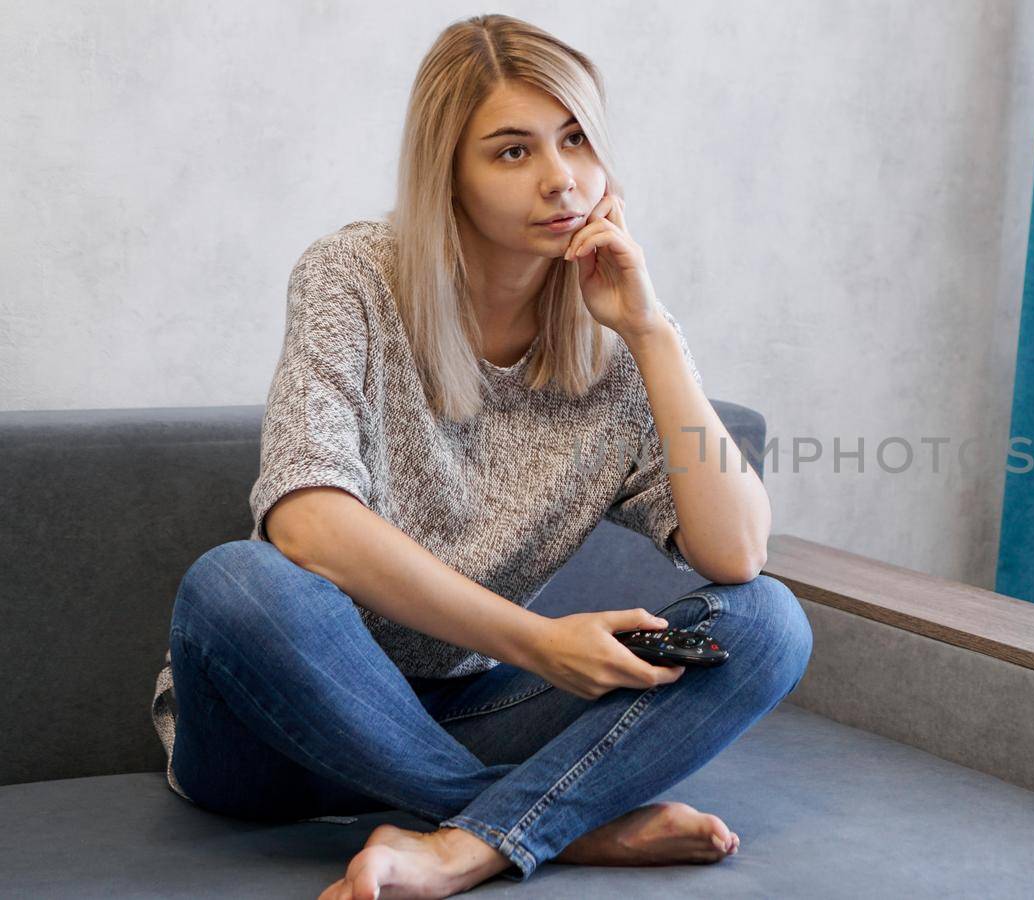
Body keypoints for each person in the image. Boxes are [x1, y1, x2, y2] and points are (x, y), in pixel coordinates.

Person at [147, 13, 812, 899]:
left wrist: (652, 333)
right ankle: (557, 826)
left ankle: (462, 842)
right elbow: (308, 521)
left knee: (768, 623)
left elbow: (737, 554)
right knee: (238, 581)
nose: (561, 180)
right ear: (448, 173)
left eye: (577, 140)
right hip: (273, 738)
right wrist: (539, 644)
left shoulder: (610, 343)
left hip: (471, 715)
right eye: (511, 152)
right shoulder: (351, 277)